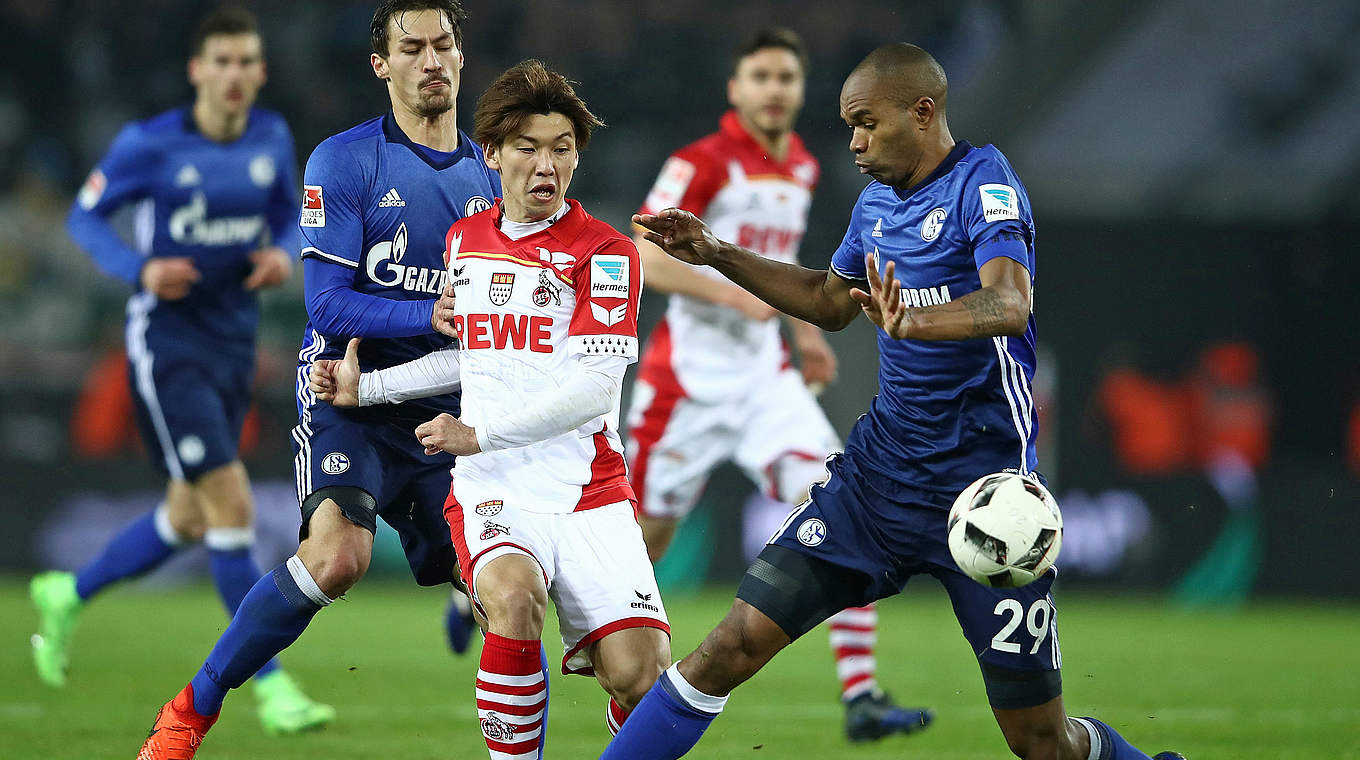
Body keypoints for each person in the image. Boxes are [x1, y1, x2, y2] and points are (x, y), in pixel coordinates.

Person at [604, 43, 1187, 760]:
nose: (853, 140)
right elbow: (827, 298)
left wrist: (919, 320)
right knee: (729, 645)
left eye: (865, 123)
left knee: (1042, 743)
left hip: (987, 497)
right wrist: (718, 252)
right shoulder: (876, 202)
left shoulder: (984, 183)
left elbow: (1009, 301)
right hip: (876, 484)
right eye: (849, 125)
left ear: (922, 112)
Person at [134, 3, 549, 758]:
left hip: (449, 414)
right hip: (346, 393)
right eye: (412, 47)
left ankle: (476, 613)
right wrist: (435, 306)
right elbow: (325, 302)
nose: (432, 60)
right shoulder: (345, 160)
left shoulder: (498, 173)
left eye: (444, 45)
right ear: (381, 65)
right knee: (338, 558)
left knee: (514, 595)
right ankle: (193, 707)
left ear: (462, 57)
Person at [311, 59, 670, 760]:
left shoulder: (607, 255)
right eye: (529, 148)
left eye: (562, 149)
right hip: (493, 488)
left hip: (587, 491)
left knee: (642, 679)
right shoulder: (465, 243)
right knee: (511, 602)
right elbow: (474, 359)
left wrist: (478, 432)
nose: (546, 165)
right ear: (492, 155)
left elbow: (596, 391)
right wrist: (370, 391)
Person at [34, 4, 334, 737]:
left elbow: (294, 217)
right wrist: (139, 269)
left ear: (260, 73)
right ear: (198, 71)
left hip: (232, 344)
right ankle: (269, 686)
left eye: (245, 63)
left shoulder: (270, 136)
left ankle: (68, 593)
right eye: (221, 62)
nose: (234, 76)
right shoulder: (150, 144)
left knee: (188, 513)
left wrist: (279, 250)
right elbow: (84, 218)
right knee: (230, 506)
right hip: (168, 348)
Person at [625, 27, 931, 742]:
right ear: (736, 89)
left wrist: (802, 330)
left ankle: (861, 695)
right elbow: (639, 248)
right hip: (686, 385)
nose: (775, 89)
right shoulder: (702, 161)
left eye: (787, 78)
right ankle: (524, 618)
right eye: (760, 76)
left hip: (766, 382)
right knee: (644, 541)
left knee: (845, 503)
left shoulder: (800, 165)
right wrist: (734, 296)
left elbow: (782, 266)